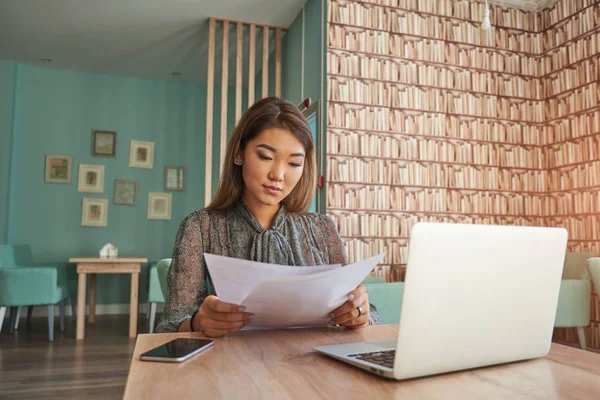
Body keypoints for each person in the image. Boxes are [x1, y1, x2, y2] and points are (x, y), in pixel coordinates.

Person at [155, 97, 381, 337]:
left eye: (294, 163)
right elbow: (170, 324)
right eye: (265, 157)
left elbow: (367, 314)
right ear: (239, 153)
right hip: (231, 367)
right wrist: (198, 323)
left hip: (312, 366)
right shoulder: (200, 227)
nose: (278, 175)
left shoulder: (322, 229)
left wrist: (360, 314)